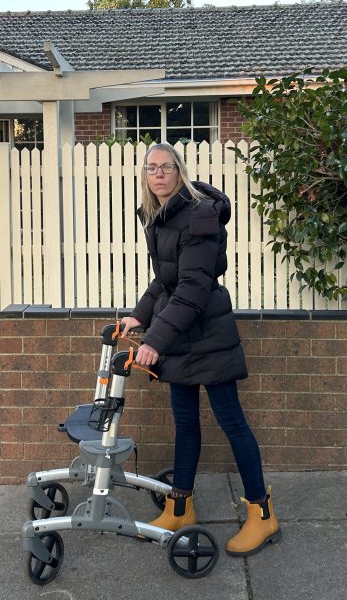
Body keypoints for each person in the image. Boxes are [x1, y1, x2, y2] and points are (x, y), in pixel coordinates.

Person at [119, 142, 280, 557]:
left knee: (232, 423)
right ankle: (180, 508)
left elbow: (193, 287)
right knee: (186, 425)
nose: (159, 174)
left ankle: (262, 515)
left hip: (207, 335)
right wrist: (140, 316)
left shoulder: (199, 217)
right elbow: (167, 281)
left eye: (167, 167)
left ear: (180, 172)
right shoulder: (160, 217)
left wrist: (155, 340)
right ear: (145, 175)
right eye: (151, 168)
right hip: (181, 337)